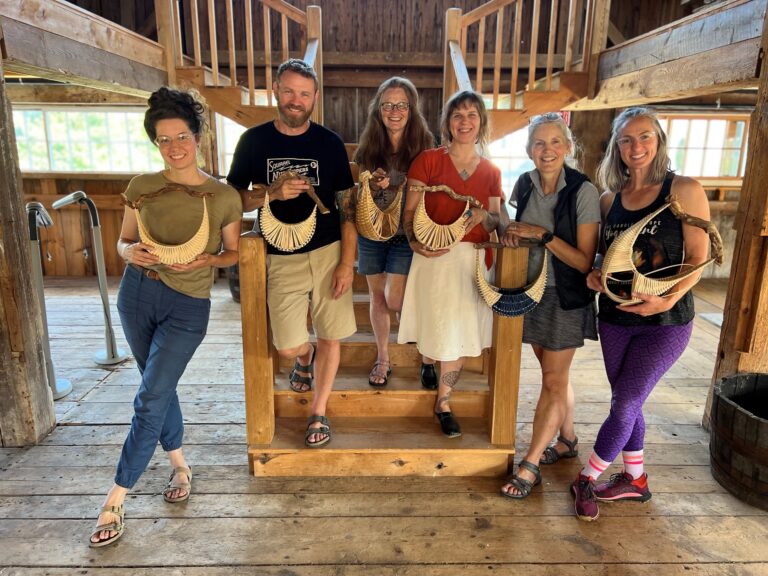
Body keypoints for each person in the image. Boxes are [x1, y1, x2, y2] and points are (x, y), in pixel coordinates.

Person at [89, 87, 242, 547]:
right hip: (137, 296)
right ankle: (179, 463)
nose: (175, 147)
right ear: (156, 143)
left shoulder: (222, 195)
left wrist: (204, 262)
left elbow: (232, 253)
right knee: (159, 387)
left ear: (198, 137)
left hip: (187, 307)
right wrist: (126, 251)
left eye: (182, 136)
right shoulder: (141, 187)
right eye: (164, 139)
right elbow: (122, 242)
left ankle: (116, 497)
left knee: (150, 395)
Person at [572, 106, 712, 521]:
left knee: (628, 399)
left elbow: (699, 258)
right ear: (617, 146)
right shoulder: (609, 199)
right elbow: (607, 257)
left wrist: (667, 300)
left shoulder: (683, 190)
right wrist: (596, 276)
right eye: (627, 139)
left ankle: (587, 476)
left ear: (659, 141)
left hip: (666, 322)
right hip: (616, 319)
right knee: (626, 401)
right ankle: (635, 479)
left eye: (645, 136)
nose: (636, 146)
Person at [227, 58, 356, 448]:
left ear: (314, 98)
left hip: (329, 249)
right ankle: (304, 357)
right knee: (286, 344)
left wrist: (348, 262)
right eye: (289, 91)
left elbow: (347, 207)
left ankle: (318, 411)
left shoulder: (330, 143)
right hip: (279, 252)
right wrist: (270, 192)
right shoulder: (253, 141)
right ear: (277, 92)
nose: (295, 100)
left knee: (332, 334)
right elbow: (232, 198)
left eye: (304, 93)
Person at [499, 113, 600, 499]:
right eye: (539, 143)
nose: (547, 150)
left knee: (554, 380)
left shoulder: (582, 191)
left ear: (569, 147)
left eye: (555, 142)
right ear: (528, 150)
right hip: (531, 288)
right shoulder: (524, 183)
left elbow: (583, 260)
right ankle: (569, 439)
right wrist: (512, 235)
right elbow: (518, 229)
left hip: (566, 294)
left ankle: (531, 463)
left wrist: (541, 235)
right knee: (552, 375)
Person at [398, 90, 503, 438]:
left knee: (456, 332)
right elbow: (410, 211)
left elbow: (495, 221)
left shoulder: (491, 171)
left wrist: (481, 217)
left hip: (470, 259)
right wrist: (416, 243)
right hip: (432, 255)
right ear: (447, 122)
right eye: (458, 115)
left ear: (481, 123)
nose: (465, 122)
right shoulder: (427, 161)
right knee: (434, 322)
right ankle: (427, 360)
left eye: (473, 115)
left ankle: (443, 401)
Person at [351, 77, 436, 388]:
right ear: (379, 109)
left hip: (405, 232)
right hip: (372, 231)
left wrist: (396, 180)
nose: (395, 110)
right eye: (388, 104)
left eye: (401, 105)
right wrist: (370, 182)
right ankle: (383, 356)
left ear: (411, 109)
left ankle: (422, 346)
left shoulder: (425, 144)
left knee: (396, 299)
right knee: (376, 296)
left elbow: (426, 183)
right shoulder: (369, 144)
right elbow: (358, 184)